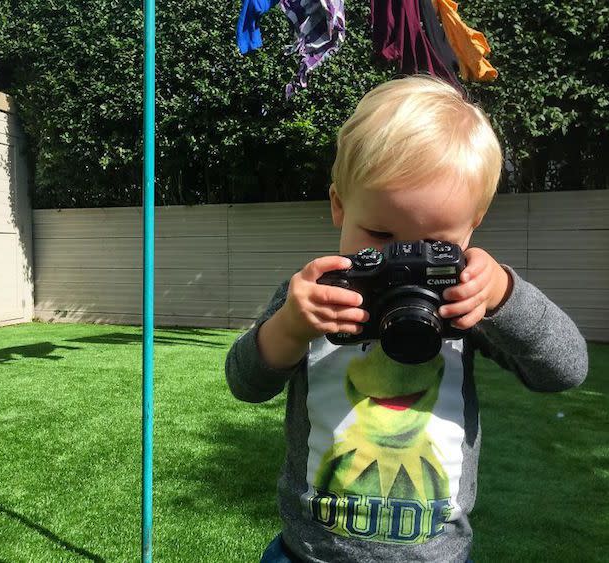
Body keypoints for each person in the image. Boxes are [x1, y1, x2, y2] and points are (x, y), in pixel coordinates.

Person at [224, 75, 589, 562]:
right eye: (379, 233)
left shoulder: (465, 300)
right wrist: (291, 326)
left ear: (472, 225)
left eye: (435, 246)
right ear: (338, 204)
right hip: (308, 553)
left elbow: (566, 370)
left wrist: (504, 295)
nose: (403, 263)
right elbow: (245, 383)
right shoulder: (320, 294)